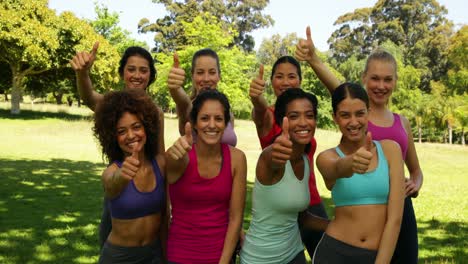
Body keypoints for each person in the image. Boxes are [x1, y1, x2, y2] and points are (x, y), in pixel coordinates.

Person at [296, 26, 423, 263]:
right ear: (363, 78)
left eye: (387, 79)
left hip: (398, 208)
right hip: (349, 230)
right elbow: (341, 92)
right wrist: (313, 59)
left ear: (395, 81)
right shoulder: (357, 112)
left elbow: (415, 169)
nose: (381, 85)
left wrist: (415, 184)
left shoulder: (401, 124)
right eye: (374, 78)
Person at [70, 43, 165, 247]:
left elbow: (160, 155)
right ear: (122, 73)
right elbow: (89, 97)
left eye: (143, 70)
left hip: (149, 189)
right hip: (119, 192)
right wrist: (83, 74)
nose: (137, 75)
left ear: (151, 75)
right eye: (131, 69)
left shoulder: (156, 113)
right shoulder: (112, 106)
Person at [313, 82, 405, 263]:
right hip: (334, 252)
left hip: (376, 256)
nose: (353, 122)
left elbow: (395, 218)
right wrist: (351, 163)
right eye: (345, 115)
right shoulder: (326, 157)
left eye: (360, 114)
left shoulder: (390, 150)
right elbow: (336, 168)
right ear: (335, 118)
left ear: (368, 113)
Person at [248, 56, 328, 255]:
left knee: (326, 255)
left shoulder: (305, 117)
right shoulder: (268, 115)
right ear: (271, 81)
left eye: (291, 76)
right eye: (279, 76)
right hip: (281, 204)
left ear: (300, 80)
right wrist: (256, 97)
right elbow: (260, 110)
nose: (285, 82)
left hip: (310, 200)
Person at [165, 89, 247, 264]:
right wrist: (173, 156)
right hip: (180, 256)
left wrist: (224, 262)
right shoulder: (180, 155)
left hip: (220, 257)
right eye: (204, 118)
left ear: (226, 124)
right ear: (194, 123)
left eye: (218, 119)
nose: (212, 125)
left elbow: (235, 218)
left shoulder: (237, 159)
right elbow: (170, 167)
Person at [93, 89, 167, 263]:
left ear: (146, 127)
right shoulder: (111, 171)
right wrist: (122, 176)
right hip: (120, 257)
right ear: (112, 136)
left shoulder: (160, 164)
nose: (131, 136)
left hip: (154, 254)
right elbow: (111, 186)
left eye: (136, 127)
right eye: (122, 131)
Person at [167, 48, 237, 146]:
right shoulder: (189, 108)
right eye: (200, 73)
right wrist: (174, 88)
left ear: (219, 76)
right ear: (192, 76)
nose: (206, 79)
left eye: (212, 72)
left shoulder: (226, 110)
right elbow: (182, 101)